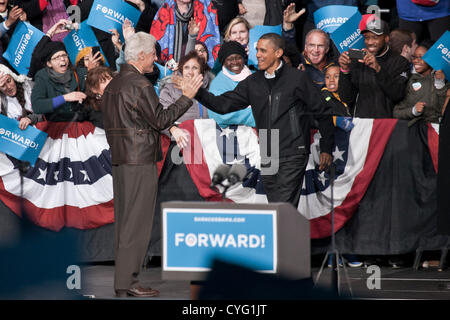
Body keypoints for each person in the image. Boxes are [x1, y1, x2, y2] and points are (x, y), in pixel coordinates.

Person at [101, 31, 203, 298]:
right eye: (154, 54)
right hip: (139, 160)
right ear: (142, 56)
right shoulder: (140, 85)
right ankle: (129, 282)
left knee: (125, 221)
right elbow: (160, 120)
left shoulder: (114, 83)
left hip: (121, 160)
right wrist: (187, 96)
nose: (156, 59)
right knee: (137, 223)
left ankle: (123, 281)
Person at [179, 33, 334, 206]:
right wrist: (197, 92)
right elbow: (222, 105)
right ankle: (285, 233)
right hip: (268, 148)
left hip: (294, 150)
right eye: (257, 50)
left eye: (263, 50)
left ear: (278, 53)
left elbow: (323, 112)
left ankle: (283, 232)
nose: (257, 55)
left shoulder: (297, 79)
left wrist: (326, 148)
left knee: (282, 206)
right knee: (276, 205)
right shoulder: (252, 82)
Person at [337, 16, 411, 118]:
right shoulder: (356, 61)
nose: (370, 42)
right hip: (361, 123)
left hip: (388, 124)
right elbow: (346, 98)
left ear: (386, 38)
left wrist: (378, 69)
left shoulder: (400, 62)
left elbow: (397, 95)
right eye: (367, 37)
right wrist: (344, 70)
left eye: (375, 37)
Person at [30, 20, 91, 122]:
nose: (62, 59)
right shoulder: (42, 76)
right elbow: (37, 106)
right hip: (57, 127)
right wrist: (65, 98)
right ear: (49, 63)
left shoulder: (78, 73)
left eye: (64, 55)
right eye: (57, 57)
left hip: (79, 123)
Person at [159, 50, 209, 149]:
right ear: (181, 70)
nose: (190, 72)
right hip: (179, 145)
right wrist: (173, 129)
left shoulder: (208, 90)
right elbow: (161, 118)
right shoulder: (170, 89)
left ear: (201, 71)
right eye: (186, 67)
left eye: (195, 68)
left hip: (206, 145)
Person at [150, 0, 221, 68]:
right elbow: (157, 51)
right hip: (168, 72)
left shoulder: (206, 10)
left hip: (199, 71)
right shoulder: (163, 11)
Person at [393, 41, 449, 126]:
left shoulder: (443, 80)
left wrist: (440, 85)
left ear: (431, 58)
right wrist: (413, 111)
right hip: (414, 132)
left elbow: (443, 112)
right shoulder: (409, 80)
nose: (416, 61)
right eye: (414, 57)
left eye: (421, 57)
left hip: (436, 131)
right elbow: (396, 112)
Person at [207, 40, 255, 127]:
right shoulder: (217, 83)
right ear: (223, 61)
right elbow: (219, 114)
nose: (235, 62)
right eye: (229, 59)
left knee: (271, 139)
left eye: (238, 57)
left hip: (264, 129)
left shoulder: (256, 76)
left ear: (244, 58)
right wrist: (258, 115)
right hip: (233, 135)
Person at [0, 64, 41, 130]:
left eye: (9, 81)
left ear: (13, 77)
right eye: (3, 85)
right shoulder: (3, 105)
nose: (9, 87)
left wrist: (30, 119)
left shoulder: (30, 87)